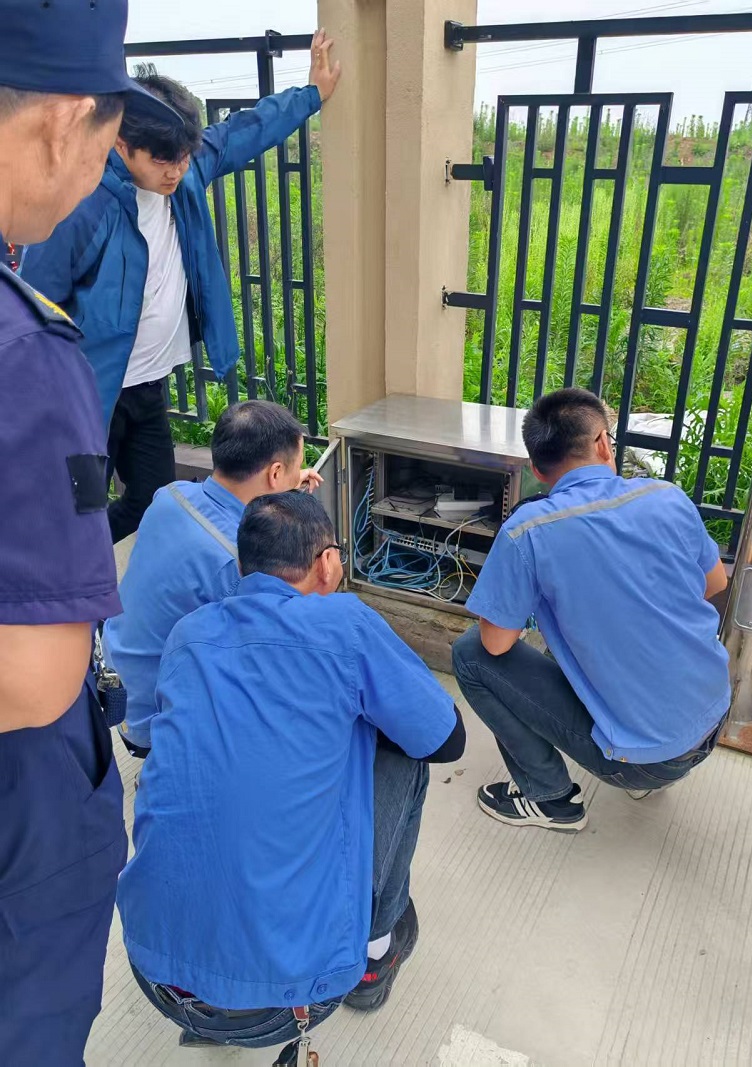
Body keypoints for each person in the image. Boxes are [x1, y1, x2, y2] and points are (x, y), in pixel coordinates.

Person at [0, 2, 186, 1063]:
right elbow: (34, 680)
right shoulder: (28, 354)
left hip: (142, 391)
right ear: (68, 122)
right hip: (20, 802)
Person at [116, 492, 464, 1057]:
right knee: (402, 750)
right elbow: (446, 738)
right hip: (283, 1005)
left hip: (153, 970)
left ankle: (213, 1003)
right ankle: (375, 953)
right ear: (327, 563)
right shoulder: (346, 622)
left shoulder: (189, 633)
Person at [21, 34, 341, 543]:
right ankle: (78, 575)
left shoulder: (185, 174)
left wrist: (312, 94)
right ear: (122, 144)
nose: (176, 171)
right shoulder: (82, 205)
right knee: (76, 514)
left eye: (184, 158)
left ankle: (96, 562)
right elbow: (33, 303)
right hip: (86, 399)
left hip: (148, 387)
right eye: (162, 161)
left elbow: (244, 132)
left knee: (151, 504)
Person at [453, 387, 730, 833]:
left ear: (537, 470)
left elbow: (495, 643)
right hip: (716, 716)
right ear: (603, 442)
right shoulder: (666, 496)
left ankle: (551, 799)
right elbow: (715, 583)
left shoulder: (528, 531)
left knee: (470, 654)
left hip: (647, 763)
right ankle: (648, 754)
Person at [103, 399, 321, 757]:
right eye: (295, 469)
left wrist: (287, 486)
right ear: (275, 473)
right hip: (156, 724)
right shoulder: (238, 562)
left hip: (119, 686)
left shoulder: (170, 496)